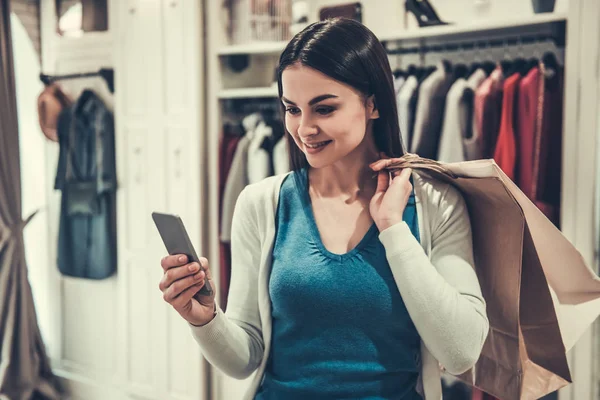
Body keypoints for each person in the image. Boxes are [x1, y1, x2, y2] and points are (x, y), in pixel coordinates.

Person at [158, 18, 489, 400]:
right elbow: (246, 358)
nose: (303, 129)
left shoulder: (435, 203)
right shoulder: (261, 204)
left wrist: (394, 230)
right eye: (292, 109)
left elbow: (462, 352)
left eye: (324, 108)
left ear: (373, 104)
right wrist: (206, 320)